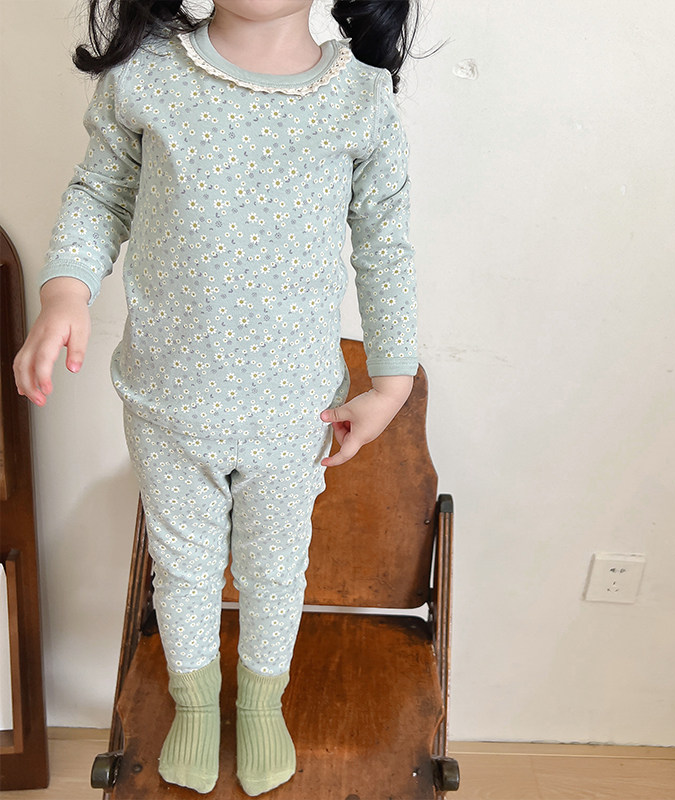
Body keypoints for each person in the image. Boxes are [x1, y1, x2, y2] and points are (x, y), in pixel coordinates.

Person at [13, 0, 422, 794]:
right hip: (168, 402)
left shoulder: (359, 97)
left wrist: (392, 381)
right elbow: (101, 192)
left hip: (295, 411)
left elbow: (386, 243)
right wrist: (65, 290)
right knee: (184, 568)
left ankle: (262, 703)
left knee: (275, 570)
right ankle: (196, 706)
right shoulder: (147, 76)